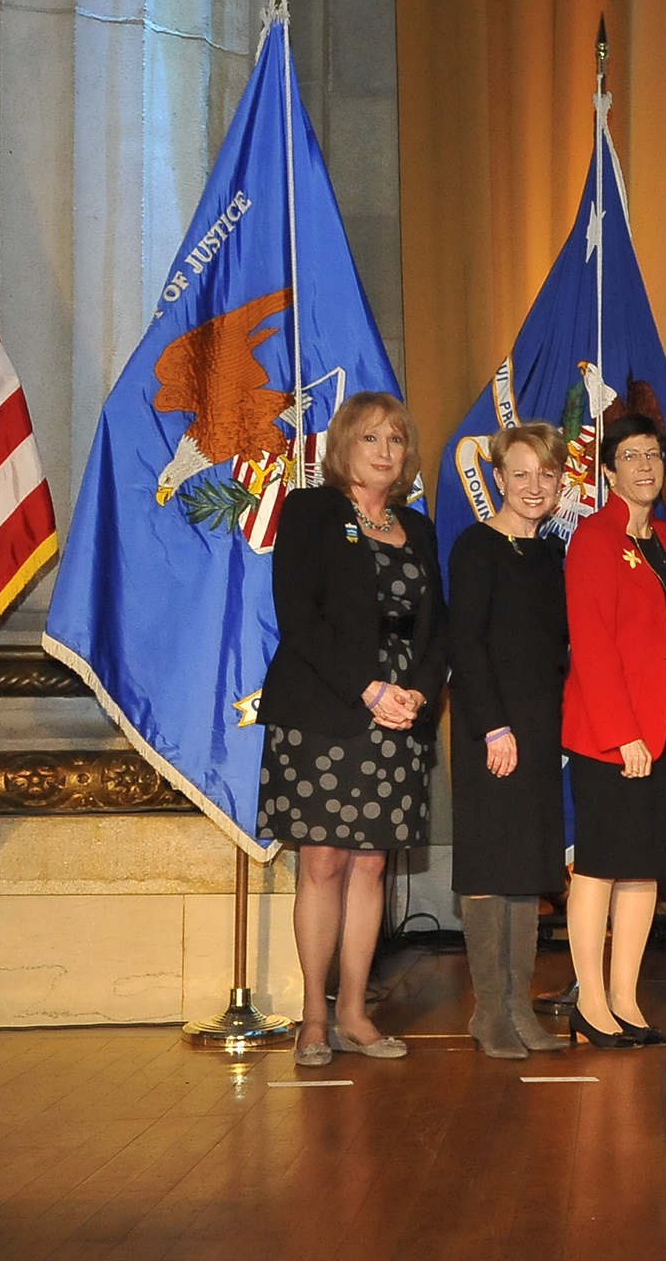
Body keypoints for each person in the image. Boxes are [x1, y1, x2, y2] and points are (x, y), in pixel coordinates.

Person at [257, 391, 446, 1064]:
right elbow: (298, 616)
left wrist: (417, 693)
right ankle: (314, 1016)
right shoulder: (311, 511)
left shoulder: (417, 529)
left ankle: (357, 1015)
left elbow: (436, 628)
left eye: (396, 441)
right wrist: (368, 689)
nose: (385, 452)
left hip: (400, 715)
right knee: (324, 861)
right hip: (324, 709)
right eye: (371, 439)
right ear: (343, 448)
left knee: (372, 865)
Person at [562, 413, 666, 1048]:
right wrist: (624, 734)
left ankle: (625, 997)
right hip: (613, 734)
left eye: (654, 454)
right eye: (632, 455)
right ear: (610, 467)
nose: (646, 466)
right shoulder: (593, 538)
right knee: (600, 865)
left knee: (644, 869)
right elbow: (591, 645)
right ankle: (589, 1000)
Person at [447, 422, 570, 1059]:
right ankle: (488, 1011)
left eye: (546, 475)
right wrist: (494, 725)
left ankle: (520, 1007)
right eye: (520, 474)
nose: (534, 486)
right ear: (498, 479)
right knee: (491, 867)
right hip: (488, 727)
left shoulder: (550, 554)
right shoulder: (475, 547)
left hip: (541, 727)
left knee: (527, 868)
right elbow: (464, 644)